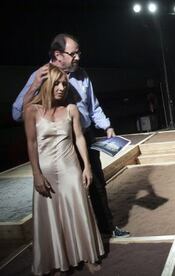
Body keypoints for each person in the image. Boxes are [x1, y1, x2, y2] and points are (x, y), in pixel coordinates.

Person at [12, 33, 129, 238]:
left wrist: (107, 126)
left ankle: (107, 228)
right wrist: (34, 87)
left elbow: (93, 106)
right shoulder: (41, 75)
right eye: (73, 53)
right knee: (66, 191)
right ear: (58, 54)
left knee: (97, 184)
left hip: (84, 134)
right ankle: (72, 238)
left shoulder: (82, 75)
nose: (78, 57)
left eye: (78, 53)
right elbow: (16, 114)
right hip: (59, 143)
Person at [24, 64, 104, 275]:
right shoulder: (32, 111)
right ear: (47, 84)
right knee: (50, 218)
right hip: (46, 171)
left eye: (64, 84)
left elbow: (79, 138)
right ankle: (57, 260)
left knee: (79, 212)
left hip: (70, 169)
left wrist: (87, 167)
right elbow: (31, 144)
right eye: (57, 83)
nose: (61, 88)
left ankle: (88, 256)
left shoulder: (71, 109)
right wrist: (36, 174)